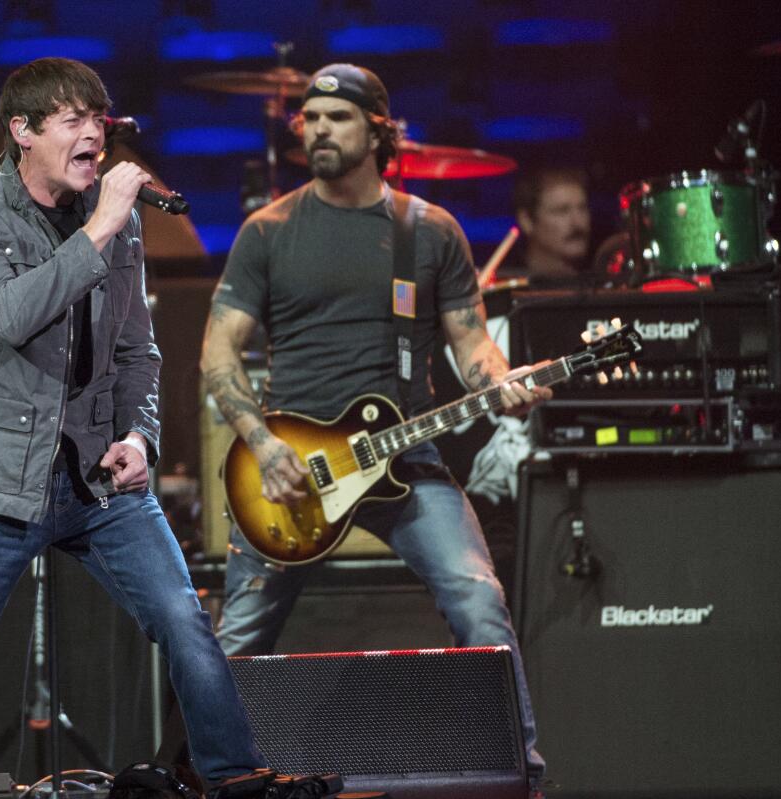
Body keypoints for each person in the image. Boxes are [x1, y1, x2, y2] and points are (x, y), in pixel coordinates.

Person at [0, 57, 265, 798]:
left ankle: (235, 778)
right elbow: (11, 313)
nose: (94, 136)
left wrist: (139, 439)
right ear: (23, 131)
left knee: (185, 619)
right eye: (74, 121)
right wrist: (103, 226)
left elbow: (140, 350)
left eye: (99, 121)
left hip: (95, 482)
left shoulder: (120, 225)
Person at [199, 63, 550, 787]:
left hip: (405, 456)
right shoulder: (267, 231)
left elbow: (471, 344)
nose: (318, 129)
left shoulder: (428, 231)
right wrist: (262, 445)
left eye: (337, 118)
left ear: (378, 131)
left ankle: (522, 772)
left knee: (479, 599)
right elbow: (217, 351)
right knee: (236, 638)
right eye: (310, 118)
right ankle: (211, 778)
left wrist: (501, 379)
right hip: (292, 469)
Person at [495, 166, 592, 284]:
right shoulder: (505, 285)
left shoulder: (601, 283)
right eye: (561, 211)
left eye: (582, 208)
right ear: (526, 221)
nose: (577, 222)